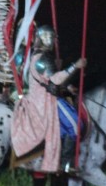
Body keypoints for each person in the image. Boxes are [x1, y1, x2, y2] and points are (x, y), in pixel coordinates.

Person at [11, 25, 87, 174]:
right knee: (76, 125)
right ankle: (65, 164)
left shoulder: (34, 56)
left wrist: (67, 87)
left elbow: (47, 82)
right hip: (46, 101)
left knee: (65, 128)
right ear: (45, 38)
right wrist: (75, 66)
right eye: (52, 38)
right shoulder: (44, 58)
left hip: (37, 97)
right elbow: (55, 80)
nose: (54, 42)